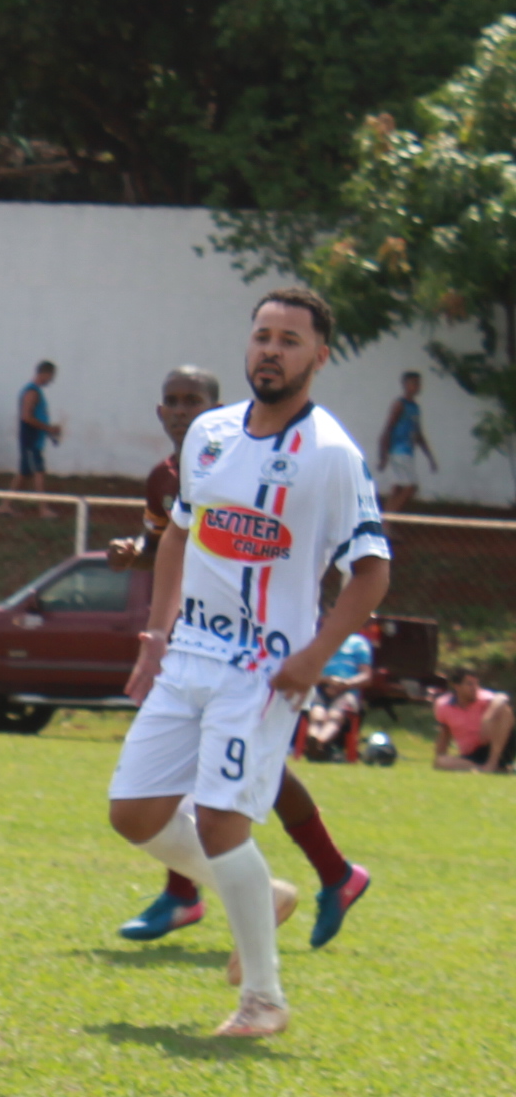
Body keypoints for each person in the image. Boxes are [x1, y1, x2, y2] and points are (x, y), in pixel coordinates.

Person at [109, 286, 391, 1040]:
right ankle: (259, 895)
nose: (271, 350)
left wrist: (315, 657)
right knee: (133, 813)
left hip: (263, 670)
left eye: (290, 340)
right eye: (263, 335)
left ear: (319, 357)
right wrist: (157, 635)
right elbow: (179, 533)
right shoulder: (208, 433)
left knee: (221, 822)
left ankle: (263, 1001)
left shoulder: (331, 454)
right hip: (189, 657)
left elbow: (371, 571)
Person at [299, 625, 375, 761]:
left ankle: (318, 743)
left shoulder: (358, 643)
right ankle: (315, 742)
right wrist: (327, 680)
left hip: (348, 690)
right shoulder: (321, 641)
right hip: (321, 687)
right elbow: (308, 672)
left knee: (335, 715)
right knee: (317, 714)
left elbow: (366, 676)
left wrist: (345, 684)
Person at [431, 666, 512, 772]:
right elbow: (445, 734)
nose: (475, 688)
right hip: (471, 754)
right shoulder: (444, 705)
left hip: (494, 747)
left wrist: (487, 717)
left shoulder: (483, 697)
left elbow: (502, 698)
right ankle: (485, 769)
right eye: (470, 684)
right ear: (457, 686)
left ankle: (492, 763)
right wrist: (440, 758)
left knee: (504, 710)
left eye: (476, 684)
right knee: (441, 761)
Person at [376, 370, 435, 512]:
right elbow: (388, 429)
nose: (417, 386)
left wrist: (430, 457)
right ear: (405, 385)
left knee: (398, 487)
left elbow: (418, 434)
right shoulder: (399, 404)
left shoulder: (415, 407)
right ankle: (388, 520)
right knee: (411, 487)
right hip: (398, 451)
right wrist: (383, 455)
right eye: (414, 383)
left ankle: (385, 519)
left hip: (408, 452)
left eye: (419, 384)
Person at [13, 360, 62, 493]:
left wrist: (49, 429)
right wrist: (48, 428)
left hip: (33, 439)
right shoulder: (32, 392)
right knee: (37, 472)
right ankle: (42, 504)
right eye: (51, 376)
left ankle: (6, 503)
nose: (51, 380)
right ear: (45, 374)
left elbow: (35, 417)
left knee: (26, 473)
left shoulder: (35, 391)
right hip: (31, 439)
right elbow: (27, 417)